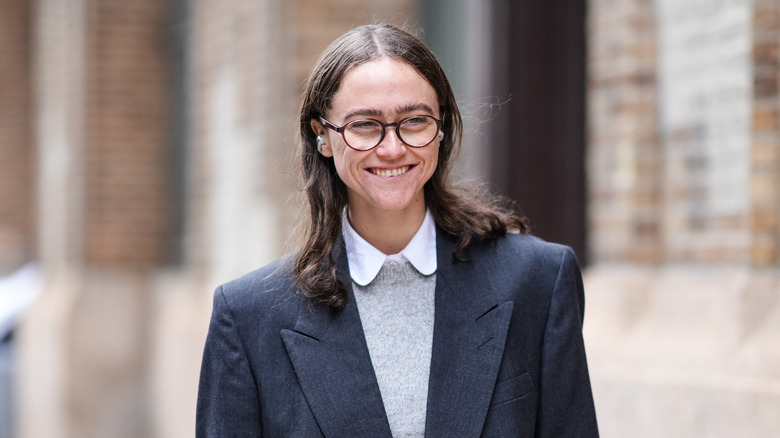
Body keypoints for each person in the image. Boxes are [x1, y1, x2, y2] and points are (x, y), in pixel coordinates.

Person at [196, 23, 598, 437]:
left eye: (416, 120)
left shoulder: (537, 281)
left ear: (440, 128)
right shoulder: (248, 317)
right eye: (365, 125)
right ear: (324, 137)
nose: (392, 148)